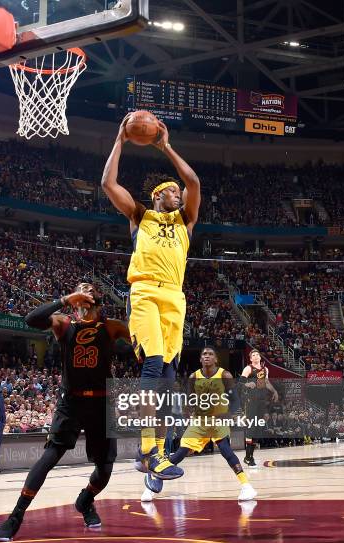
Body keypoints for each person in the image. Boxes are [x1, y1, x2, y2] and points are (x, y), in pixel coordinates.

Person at [102, 115, 201, 479]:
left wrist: (166, 147)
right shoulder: (139, 215)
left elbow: (193, 180)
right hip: (144, 292)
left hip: (176, 299)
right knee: (153, 365)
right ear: (158, 195)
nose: (178, 194)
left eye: (178, 192)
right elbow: (107, 182)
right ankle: (148, 449)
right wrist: (119, 139)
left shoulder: (186, 221)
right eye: (172, 191)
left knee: (169, 381)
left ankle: (155, 459)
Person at [0, 283, 129, 541]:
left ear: (98, 297)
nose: (84, 289)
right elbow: (31, 319)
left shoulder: (111, 326)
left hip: (102, 402)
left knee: (105, 467)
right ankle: (16, 516)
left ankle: (86, 500)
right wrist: (65, 299)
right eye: (80, 288)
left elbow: (140, 342)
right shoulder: (64, 324)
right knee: (51, 455)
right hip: (72, 401)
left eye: (89, 288)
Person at [141, 347, 257, 502]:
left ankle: (246, 486)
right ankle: (152, 485)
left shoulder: (224, 375)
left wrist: (228, 415)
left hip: (218, 420)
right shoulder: (193, 377)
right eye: (204, 354)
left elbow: (235, 401)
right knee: (180, 453)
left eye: (210, 354)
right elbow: (189, 400)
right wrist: (188, 412)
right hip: (200, 422)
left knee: (226, 451)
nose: (207, 356)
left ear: (216, 359)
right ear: (200, 359)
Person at [239, 349, 278, 467]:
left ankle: (248, 457)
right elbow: (240, 382)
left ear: (260, 357)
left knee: (257, 430)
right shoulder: (248, 369)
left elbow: (266, 382)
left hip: (261, 401)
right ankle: (249, 458)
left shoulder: (265, 369)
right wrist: (246, 384)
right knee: (251, 428)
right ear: (251, 359)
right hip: (251, 401)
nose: (255, 356)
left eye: (257, 354)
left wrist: (274, 391)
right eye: (253, 355)